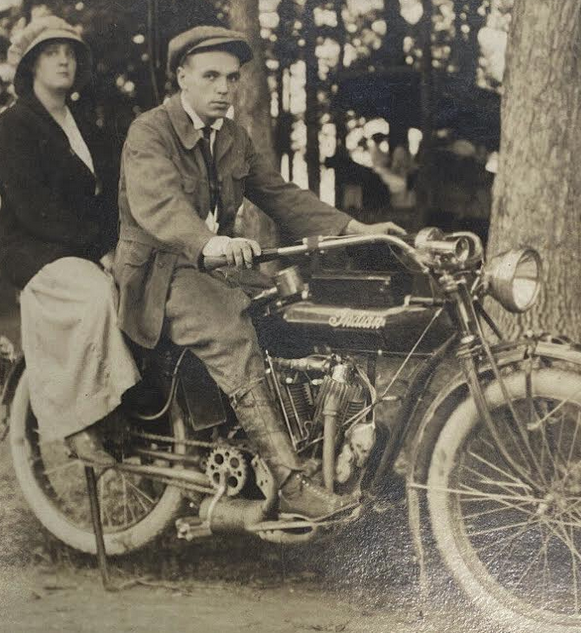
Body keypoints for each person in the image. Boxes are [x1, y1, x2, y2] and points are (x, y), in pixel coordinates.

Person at [114, 25, 404, 520]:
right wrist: (213, 243)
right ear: (182, 77)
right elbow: (160, 205)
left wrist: (355, 227)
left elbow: (280, 196)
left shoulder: (233, 138)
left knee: (296, 313)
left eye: (231, 78)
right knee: (231, 330)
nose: (224, 89)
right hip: (161, 273)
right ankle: (291, 485)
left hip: (219, 267)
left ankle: (322, 450)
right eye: (210, 77)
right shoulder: (150, 131)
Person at [0, 16, 139, 466]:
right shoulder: (13, 125)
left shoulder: (85, 128)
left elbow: (109, 197)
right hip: (35, 249)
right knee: (96, 297)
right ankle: (80, 422)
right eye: (52, 52)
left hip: (84, 247)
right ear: (32, 63)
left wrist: (115, 245)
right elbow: (34, 208)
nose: (64, 60)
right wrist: (98, 250)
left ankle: (137, 410)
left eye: (71, 54)